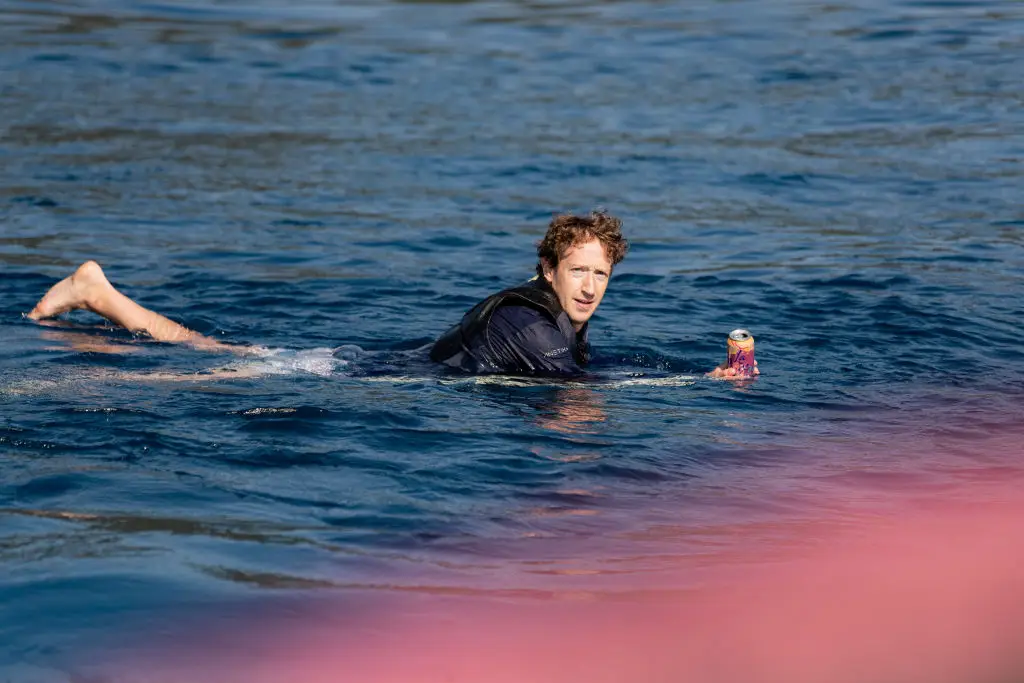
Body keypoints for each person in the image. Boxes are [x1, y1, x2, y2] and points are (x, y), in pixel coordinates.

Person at [430, 210, 627, 375]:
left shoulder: (561, 311)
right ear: (549, 269)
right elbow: (575, 399)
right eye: (578, 271)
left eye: (600, 274)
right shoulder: (530, 323)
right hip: (420, 379)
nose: (590, 289)